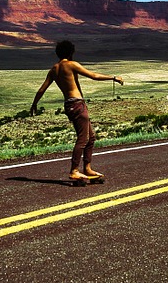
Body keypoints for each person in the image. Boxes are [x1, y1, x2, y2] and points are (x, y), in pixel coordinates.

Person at [30, 40, 124, 183]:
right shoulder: (72, 65)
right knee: (83, 138)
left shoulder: (54, 69)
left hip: (69, 105)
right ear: (71, 52)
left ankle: (87, 168)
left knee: (91, 137)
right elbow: (93, 75)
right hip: (77, 104)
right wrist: (113, 77)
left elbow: (42, 89)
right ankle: (74, 170)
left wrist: (34, 104)